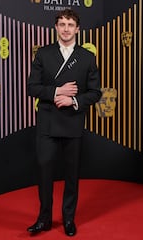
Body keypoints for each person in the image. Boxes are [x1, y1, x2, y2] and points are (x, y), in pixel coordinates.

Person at [27, 9, 101, 237]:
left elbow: (95, 93)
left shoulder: (87, 57)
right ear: (56, 28)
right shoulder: (43, 54)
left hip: (73, 122)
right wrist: (57, 91)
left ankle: (69, 219)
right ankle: (44, 219)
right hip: (47, 122)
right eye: (62, 24)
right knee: (44, 172)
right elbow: (32, 88)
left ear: (77, 29)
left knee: (71, 175)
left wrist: (73, 100)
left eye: (70, 24)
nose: (66, 28)